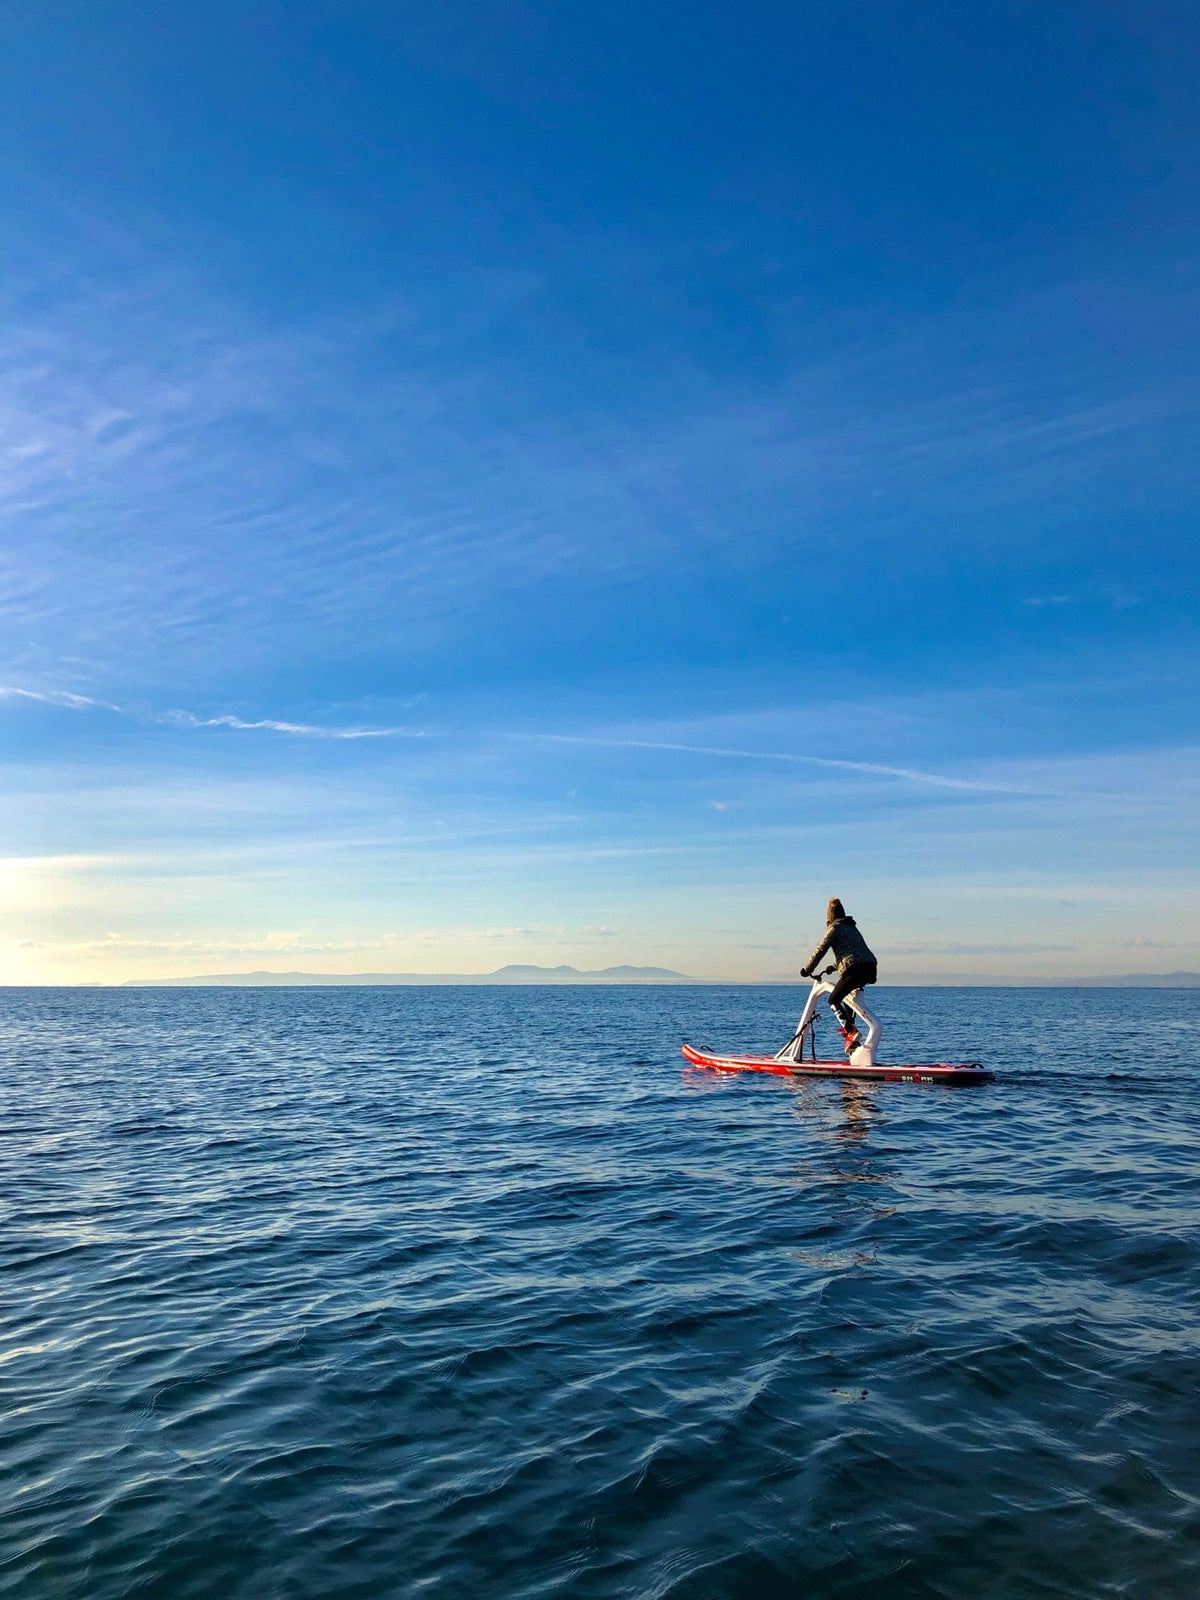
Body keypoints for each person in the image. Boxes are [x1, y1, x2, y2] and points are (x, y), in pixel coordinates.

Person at [800, 898, 878, 1049]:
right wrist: (835, 966)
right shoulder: (852, 928)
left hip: (854, 969)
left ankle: (850, 1032)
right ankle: (853, 1039)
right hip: (869, 967)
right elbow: (855, 952)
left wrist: (808, 969)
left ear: (829, 916)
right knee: (849, 1000)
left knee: (834, 1000)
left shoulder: (834, 929)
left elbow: (820, 950)